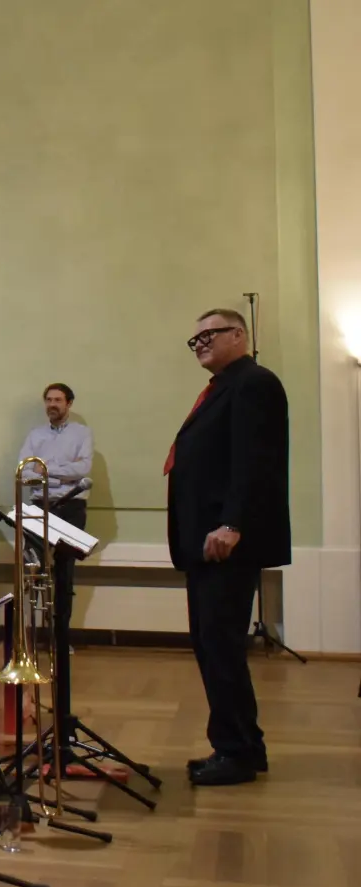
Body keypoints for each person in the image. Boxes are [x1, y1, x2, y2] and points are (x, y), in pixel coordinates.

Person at [168, 308, 287, 786]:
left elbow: (256, 461)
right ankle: (241, 746)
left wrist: (232, 523)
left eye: (209, 334)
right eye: (194, 339)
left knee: (221, 648)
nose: (200, 343)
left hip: (226, 542)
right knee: (214, 647)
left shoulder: (254, 383)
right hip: (207, 543)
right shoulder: (224, 387)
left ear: (239, 335)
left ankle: (236, 753)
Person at [16, 381, 93, 748]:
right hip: (40, 506)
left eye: (58, 400)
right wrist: (61, 471)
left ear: (69, 403)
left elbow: (84, 470)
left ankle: (62, 637)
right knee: (35, 572)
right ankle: (34, 638)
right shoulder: (35, 435)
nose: (52, 405)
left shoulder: (82, 433)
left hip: (72, 506)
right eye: (48, 400)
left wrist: (49, 470)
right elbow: (25, 473)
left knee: (65, 575)